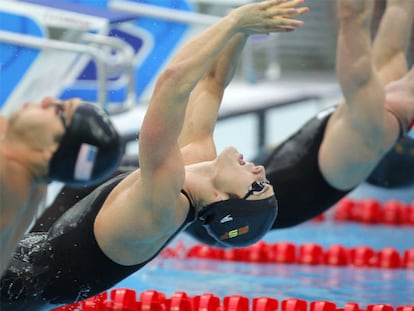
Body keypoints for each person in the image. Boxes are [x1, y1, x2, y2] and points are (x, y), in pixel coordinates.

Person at [0, 1, 308, 310]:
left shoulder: (162, 209)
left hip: (11, 288)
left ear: (220, 198)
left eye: (256, 187)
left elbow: (173, 82)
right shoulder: (196, 158)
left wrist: (233, 21)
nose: (261, 172)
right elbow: (211, 81)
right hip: (22, 256)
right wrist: (244, 28)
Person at [0, 97, 122, 273]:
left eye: (59, 111)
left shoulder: (7, 175)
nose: (48, 101)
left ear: (51, 148)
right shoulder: (33, 183)